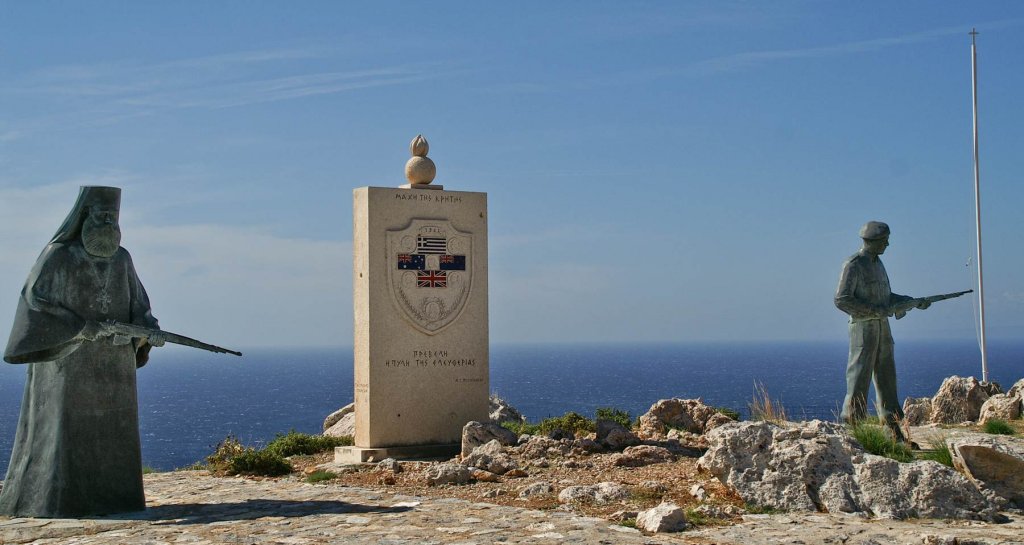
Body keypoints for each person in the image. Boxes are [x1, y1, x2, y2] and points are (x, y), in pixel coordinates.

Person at [0, 186, 164, 517]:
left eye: (112, 217)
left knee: (114, 433)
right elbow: (35, 302)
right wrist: (78, 327)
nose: (108, 223)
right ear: (84, 216)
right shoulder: (57, 256)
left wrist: (148, 330)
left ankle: (116, 498)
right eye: (102, 216)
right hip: (67, 362)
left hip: (114, 367)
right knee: (65, 433)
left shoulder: (122, 260)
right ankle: (54, 501)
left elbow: (139, 307)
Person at [834, 221, 929, 443]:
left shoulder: (879, 264)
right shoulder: (853, 264)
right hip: (863, 327)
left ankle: (892, 429)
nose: (888, 243)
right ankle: (853, 428)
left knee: (887, 375)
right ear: (874, 241)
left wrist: (909, 301)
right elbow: (842, 299)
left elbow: (885, 297)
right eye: (884, 240)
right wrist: (874, 311)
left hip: (882, 327)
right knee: (859, 376)